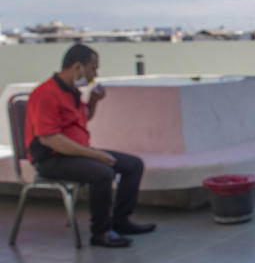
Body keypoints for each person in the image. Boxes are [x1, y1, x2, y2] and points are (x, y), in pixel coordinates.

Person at [24, 44, 156, 248]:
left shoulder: (71, 91)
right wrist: (94, 155)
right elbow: (50, 139)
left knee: (133, 165)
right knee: (103, 173)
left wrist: (93, 101)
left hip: (76, 153)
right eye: (93, 68)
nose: (95, 75)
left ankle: (121, 221)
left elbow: (83, 118)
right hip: (51, 159)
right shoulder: (45, 94)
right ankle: (100, 232)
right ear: (78, 67)